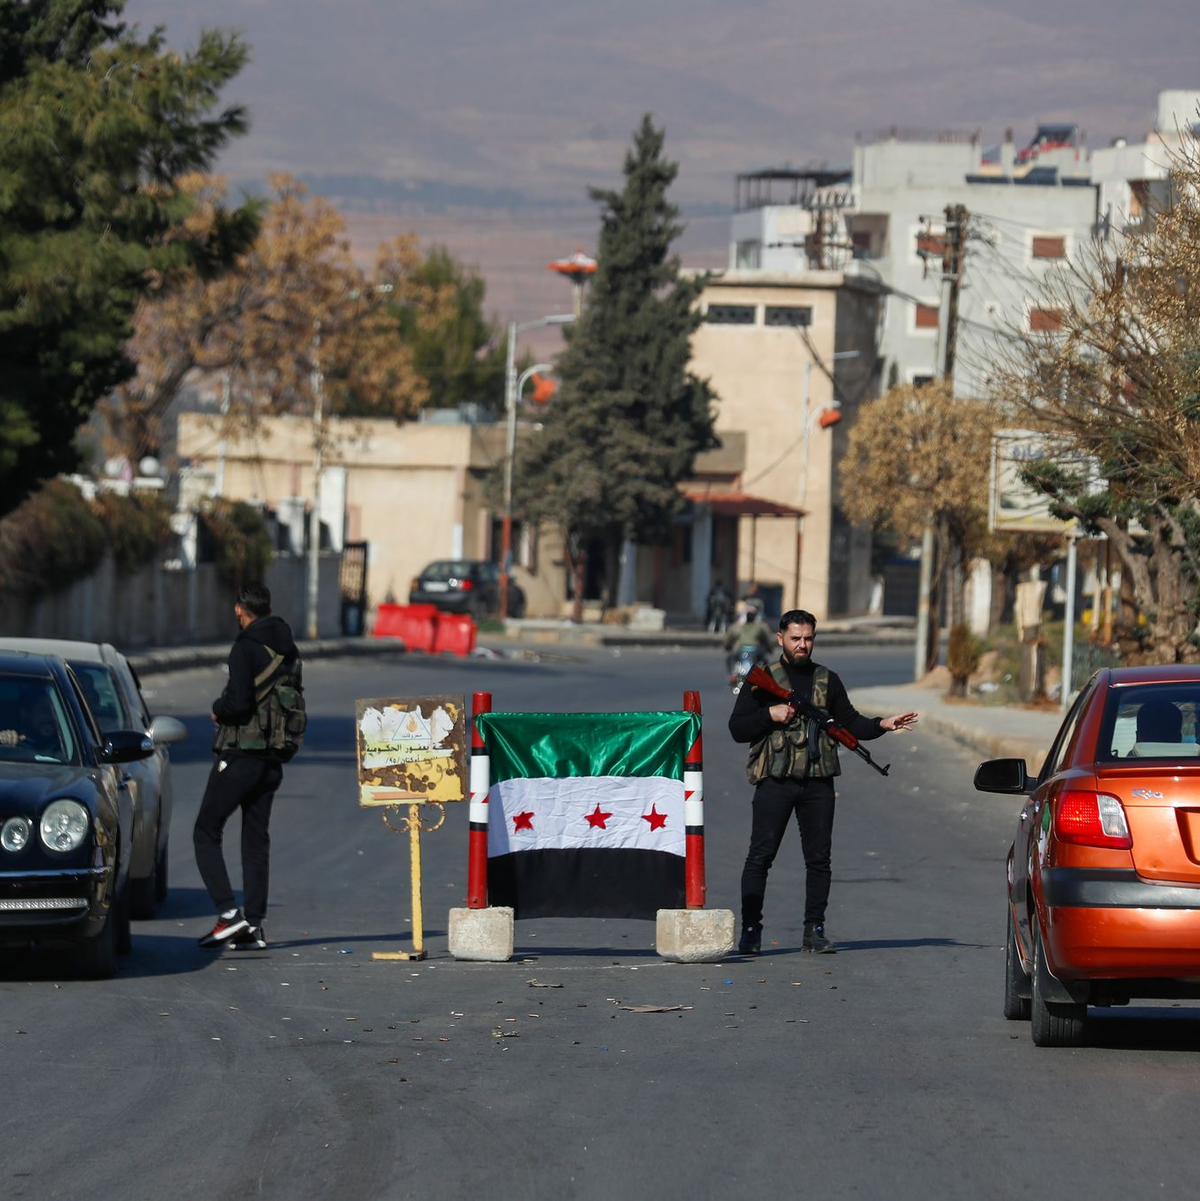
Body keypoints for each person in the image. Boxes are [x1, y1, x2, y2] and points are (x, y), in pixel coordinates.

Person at [728, 608, 918, 955]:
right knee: (760, 857)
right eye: (796, 638)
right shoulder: (763, 678)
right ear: (780, 638)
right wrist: (767, 714)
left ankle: (814, 930)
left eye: (808, 638)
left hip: (818, 783)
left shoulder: (826, 679)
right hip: (776, 780)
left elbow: (850, 724)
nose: (803, 645)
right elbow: (737, 728)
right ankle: (751, 930)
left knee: (819, 859)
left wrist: (882, 725)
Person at [194, 581, 302, 951]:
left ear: (241, 610)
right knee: (255, 840)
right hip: (273, 759)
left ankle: (228, 914)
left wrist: (217, 709)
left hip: (240, 754)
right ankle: (254, 926)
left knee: (205, 832)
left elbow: (238, 703)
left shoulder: (245, 647)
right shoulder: (288, 648)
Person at [723, 599, 775, 672]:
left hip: (739, 649)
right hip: (755, 650)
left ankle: (733, 675)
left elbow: (729, 638)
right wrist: (770, 649)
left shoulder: (737, 625)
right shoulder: (761, 625)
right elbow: (768, 639)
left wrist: (727, 647)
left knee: (730, 660)